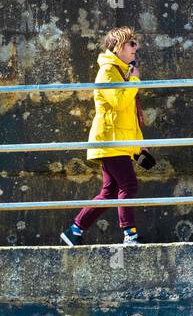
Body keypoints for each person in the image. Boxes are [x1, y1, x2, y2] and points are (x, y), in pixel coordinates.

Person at [60, 26, 153, 247]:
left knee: (110, 192)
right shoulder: (108, 72)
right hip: (110, 141)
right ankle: (130, 235)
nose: (135, 47)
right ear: (118, 46)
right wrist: (135, 82)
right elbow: (119, 103)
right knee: (128, 186)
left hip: (119, 141)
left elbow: (129, 115)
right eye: (131, 43)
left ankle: (74, 230)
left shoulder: (123, 72)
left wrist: (139, 146)